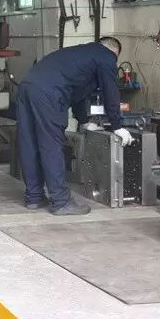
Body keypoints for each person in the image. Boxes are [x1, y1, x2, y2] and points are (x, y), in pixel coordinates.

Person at [15, 37, 134, 216]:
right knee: (51, 144)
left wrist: (84, 121)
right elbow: (111, 91)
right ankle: (61, 202)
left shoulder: (80, 54)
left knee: (29, 142)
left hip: (27, 86)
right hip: (49, 93)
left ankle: (34, 197)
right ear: (115, 52)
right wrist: (117, 125)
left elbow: (77, 93)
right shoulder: (107, 56)